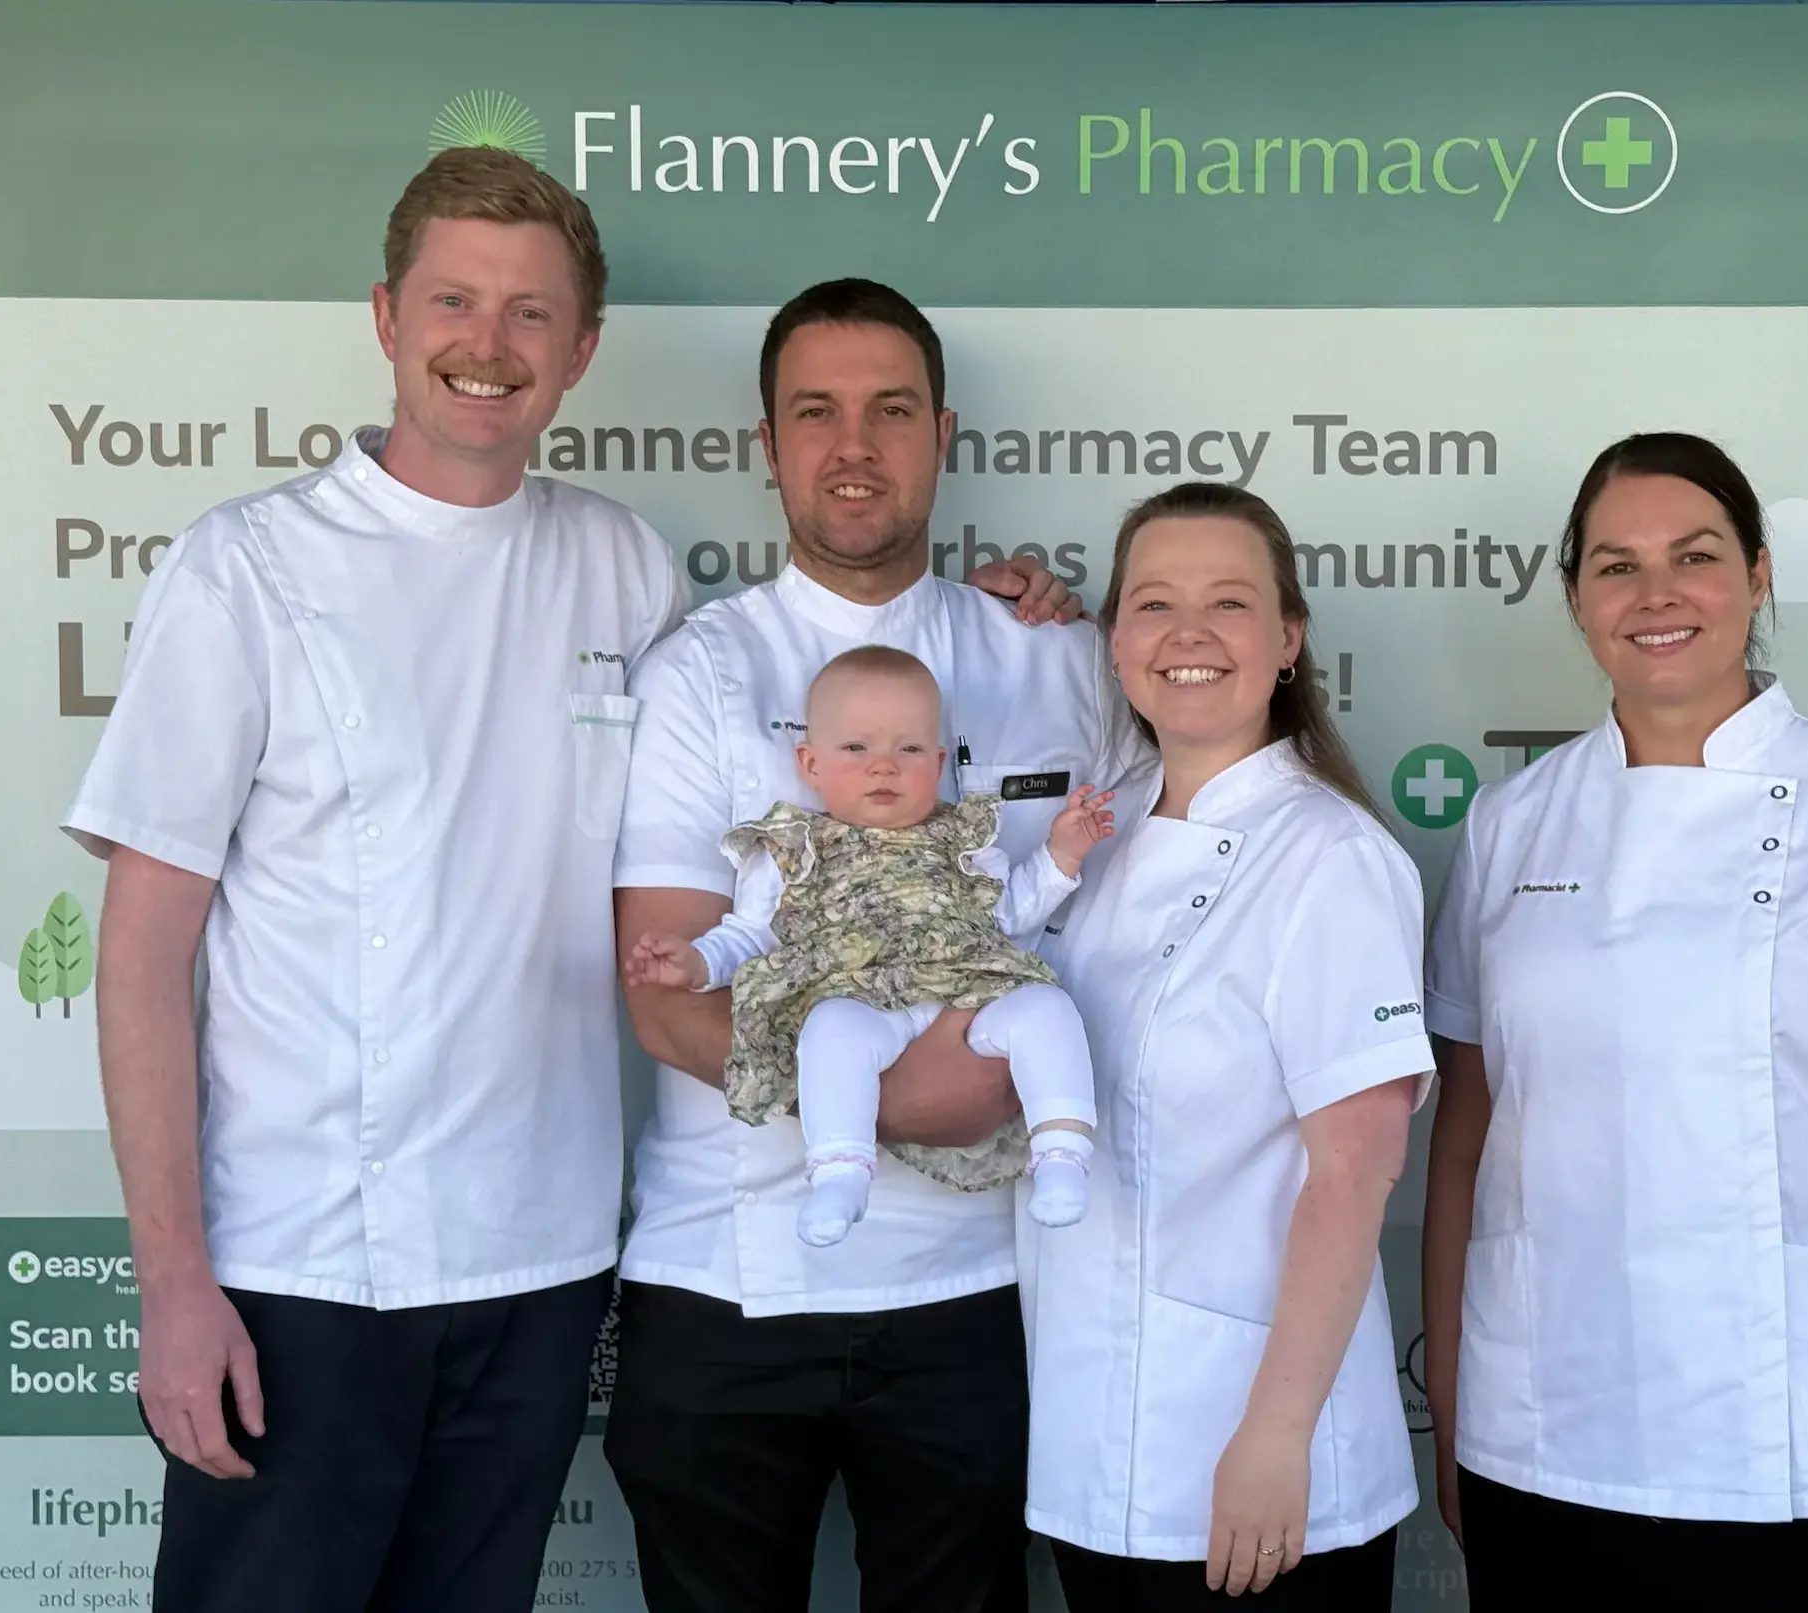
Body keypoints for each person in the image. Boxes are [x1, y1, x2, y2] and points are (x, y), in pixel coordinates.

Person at [63, 156, 1065, 1613]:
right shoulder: (246, 570)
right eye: (456, 301)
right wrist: (175, 1284)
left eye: (533, 313)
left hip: (537, 1270)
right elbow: (145, 955)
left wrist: (1029, 608)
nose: (491, 344)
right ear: (387, 316)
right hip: (302, 1265)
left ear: (581, 350)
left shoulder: (618, 569)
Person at [1420, 432, 1808, 1613]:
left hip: (1807, 1454)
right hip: (1539, 1433)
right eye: (1614, 565)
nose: (1656, 594)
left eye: (1693, 556)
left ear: (1755, 576)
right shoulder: (1508, 828)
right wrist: (1454, 1411)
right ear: (1574, 597)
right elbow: (1463, 1143)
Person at [605, 278, 1139, 1613]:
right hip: (725, 1285)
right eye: (818, 412)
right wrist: (904, 1100)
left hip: (975, 1293)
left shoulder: (1047, 656)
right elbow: (668, 997)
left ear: (943, 434)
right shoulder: (704, 672)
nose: (856, 446)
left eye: (891, 410)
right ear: (767, 442)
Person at [1021, 482, 1426, 1610]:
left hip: (1255, 1464)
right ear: (1113, 642)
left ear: (1287, 639)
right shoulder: (1093, 840)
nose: (1186, 634)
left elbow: (1353, 1173)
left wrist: (1274, 1433)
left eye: (1228, 602)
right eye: (1151, 602)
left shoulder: (1329, 857)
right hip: (1094, 1436)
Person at [624, 644, 1110, 1247]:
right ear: (810, 763)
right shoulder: (794, 850)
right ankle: (838, 1172)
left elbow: (1007, 913)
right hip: (862, 1000)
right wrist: (695, 963)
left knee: (1046, 1007)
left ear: (937, 764)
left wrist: (1062, 854)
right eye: (856, 748)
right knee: (829, 1032)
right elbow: (751, 935)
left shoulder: (964, 840)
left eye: (908, 750)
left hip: (971, 989)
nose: (884, 766)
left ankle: (1062, 1155)